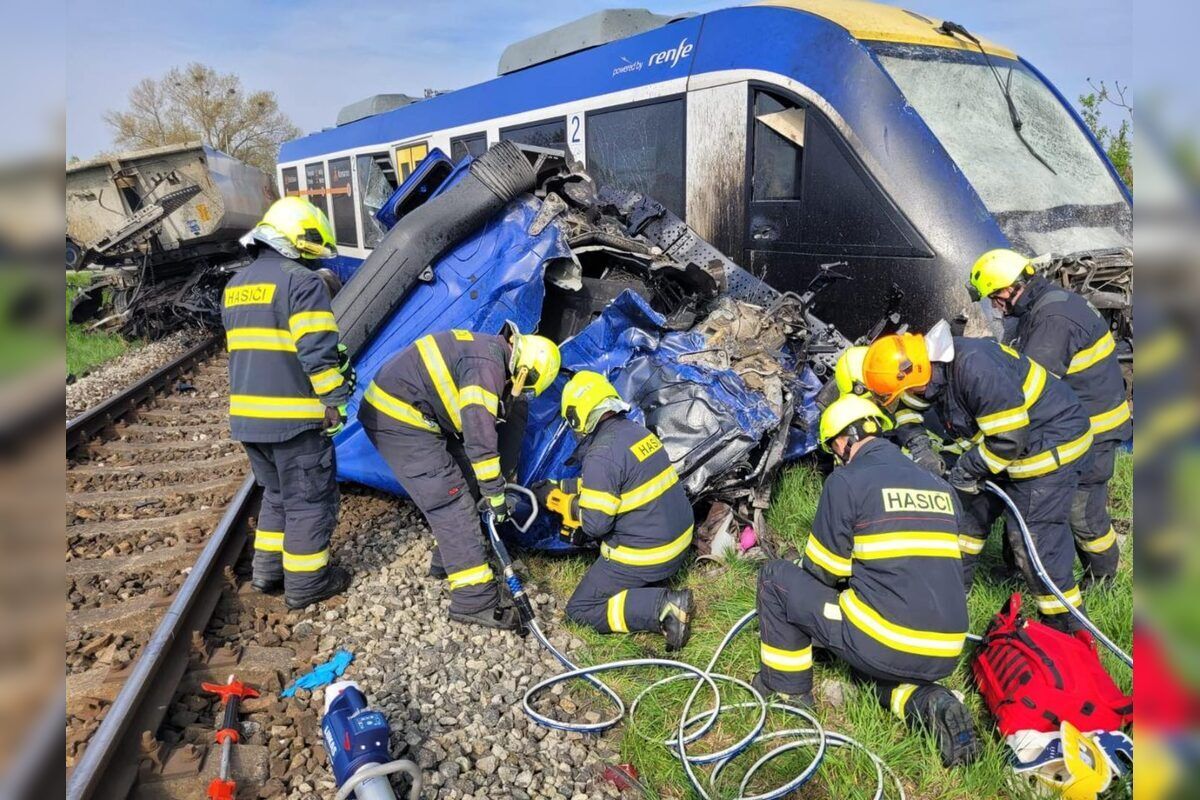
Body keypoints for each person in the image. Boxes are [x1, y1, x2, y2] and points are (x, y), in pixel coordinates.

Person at [754, 395, 979, 767]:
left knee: (776, 579)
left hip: (885, 639)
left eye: (833, 448)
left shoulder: (847, 481)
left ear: (844, 441)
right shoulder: (938, 486)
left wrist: (805, 565)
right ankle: (924, 701)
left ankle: (786, 693)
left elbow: (823, 571)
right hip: (947, 649)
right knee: (871, 659)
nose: (835, 456)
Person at [862, 322, 1093, 630]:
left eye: (902, 390)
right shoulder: (929, 371)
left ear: (915, 373)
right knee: (966, 520)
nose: (902, 397)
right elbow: (905, 409)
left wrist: (965, 470)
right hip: (1001, 446)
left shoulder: (975, 367)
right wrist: (919, 446)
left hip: (1049, 445)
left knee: (1034, 545)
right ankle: (953, 597)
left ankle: (1068, 632)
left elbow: (1009, 439)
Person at [357, 324, 560, 630]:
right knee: (451, 501)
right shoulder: (487, 369)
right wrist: (495, 494)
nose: (521, 392)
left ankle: (451, 558)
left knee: (464, 479)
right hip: (399, 419)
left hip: (412, 412)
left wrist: (494, 484)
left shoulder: (490, 353)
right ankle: (474, 600)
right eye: (526, 385)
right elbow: (479, 439)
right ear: (524, 371)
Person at [223, 197, 355, 609]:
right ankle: (307, 584)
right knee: (308, 503)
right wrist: (335, 401)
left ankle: (267, 572)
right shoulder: (302, 282)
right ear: (299, 238)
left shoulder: (236, 286)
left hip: (248, 419)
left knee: (276, 496)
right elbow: (316, 352)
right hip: (294, 421)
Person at [968, 249, 1131, 583]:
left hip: (1092, 432)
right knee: (1025, 492)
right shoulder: (1038, 307)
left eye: (995, 297)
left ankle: (1102, 580)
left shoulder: (1052, 321)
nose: (996, 305)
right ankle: (1018, 572)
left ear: (1012, 287)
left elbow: (1030, 386)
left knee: (1082, 513)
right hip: (1063, 423)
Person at [536, 371, 695, 649]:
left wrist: (564, 503)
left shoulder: (601, 454)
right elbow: (613, 482)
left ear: (576, 417)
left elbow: (595, 525)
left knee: (580, 610)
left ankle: (663, 607)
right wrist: (561, 485)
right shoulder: (636, 432)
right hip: (679, 541)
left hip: (648, 555)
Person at [815, 345, 946, 476]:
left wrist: (920, 448)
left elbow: (904, 415)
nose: (889, 397)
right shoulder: (840, 420)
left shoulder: (897, 391)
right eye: (880, 393)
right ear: (860, 390)